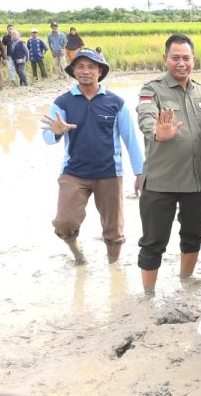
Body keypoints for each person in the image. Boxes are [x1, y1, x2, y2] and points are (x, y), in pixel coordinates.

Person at [40, 48, 144, 265]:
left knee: (114, 230)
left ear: (100, 72)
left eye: (91, 67)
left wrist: (140, 172)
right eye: (80, 66)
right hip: (74, 172)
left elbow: (131, 139)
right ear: (74, 71)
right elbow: (48, 138)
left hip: (109, 174)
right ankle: (77, 254)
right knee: (64, 222)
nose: (85, 71)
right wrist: (57, 131)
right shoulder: (63, 102)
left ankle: (113, 268)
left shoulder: (116, 103)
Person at [136, 34, 201, 295]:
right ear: (165, 59)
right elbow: (146, 119)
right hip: (161, 181)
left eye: (186, 58)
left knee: (194, 236)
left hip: (196, 179)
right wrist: (158, 133)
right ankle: (148, 294)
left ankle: (186, 281)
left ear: (194, 60)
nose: (181, 63)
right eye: (175, 57)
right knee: (153, 241)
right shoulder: (152, 90)